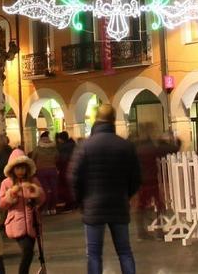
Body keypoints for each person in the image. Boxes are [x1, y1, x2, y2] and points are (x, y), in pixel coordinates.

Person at [70, 104, 141, 274]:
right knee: (124, 251)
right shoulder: (126, 146)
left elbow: (74, 176)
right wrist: (126, 194)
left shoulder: (85, 146)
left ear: (96, 120)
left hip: (93, 206)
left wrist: (81, 201)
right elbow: (136, 177)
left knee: (94, 254)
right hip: (119, 204)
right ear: (113, 120)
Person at [0, 149, 43, 274]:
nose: (20, 171)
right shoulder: (6, 183)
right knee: (27, 250)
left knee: (29, 252)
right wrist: (11, 195)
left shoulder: (33, 181)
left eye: (23, 168)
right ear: (12, 169)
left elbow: (42, 198)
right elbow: (2, 204)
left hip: (32, 222)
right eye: (18, 168)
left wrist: (35, 193)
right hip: (16, 223)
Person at [29, 131, 59, 214]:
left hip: (41, 171)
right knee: (54, 189)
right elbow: (57, 158)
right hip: (53, 170)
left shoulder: (37, 149)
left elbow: (33, 159)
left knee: (45, 190)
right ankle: (53, 208)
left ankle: (45, 209)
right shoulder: (54, 148)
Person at [55, 132, 76, 211]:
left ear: (62, 139)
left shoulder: (63, 147)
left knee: (65, 187)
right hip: (73, 167)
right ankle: (74, 202)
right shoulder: (73, 145)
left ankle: (69, 203)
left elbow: (61, 159)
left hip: (65, 168)